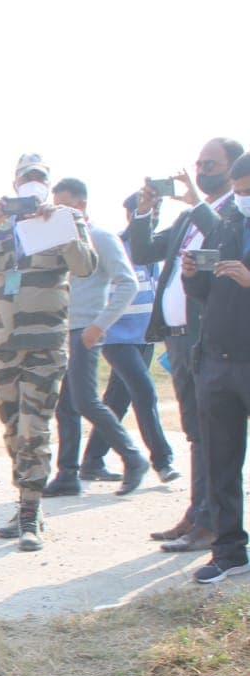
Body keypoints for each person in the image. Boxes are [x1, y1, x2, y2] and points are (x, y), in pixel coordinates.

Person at [0, 153, 96, 550]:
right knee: (14, 429)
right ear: (15, 182)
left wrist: (62, 228)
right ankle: (24, 502)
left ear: (47, 184)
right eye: (26, 176)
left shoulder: (66, 219)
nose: (32, 182)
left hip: (46, 343)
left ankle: (32, 511)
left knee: (36, 428)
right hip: (3, 343)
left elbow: (85, 266)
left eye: (39, 177)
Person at [126, 137, 245, 552]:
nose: (200, 170)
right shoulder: (186, 219)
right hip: (178, 339)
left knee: (218, 436)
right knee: (197, 432)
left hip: (213, 339)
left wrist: (197, 203)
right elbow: (143, 250)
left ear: (233, 170)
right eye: (198, 163)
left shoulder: (232, 212)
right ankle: (199, 514)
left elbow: (228, 248)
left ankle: (213, 522)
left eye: (211, 164)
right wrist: (144, 211)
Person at [44, 177, 153, 497]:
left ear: (81, 205)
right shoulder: (57, 242)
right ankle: (67, 475)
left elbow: (128, 283)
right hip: (62, 331)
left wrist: (100, 325)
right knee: (65, 407)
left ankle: (133, 457)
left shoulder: (101, 238)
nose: (56, 212)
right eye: (54, 206)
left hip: (86, 331)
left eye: (63, 205)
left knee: (86, 401)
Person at [182, 152, 250, 583]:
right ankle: (229, 550)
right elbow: (208, 293)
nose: (241, 200)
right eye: (239, 192)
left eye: (248, 192)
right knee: (221, 462)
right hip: (218, 363)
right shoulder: (229, 225)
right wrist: (193, 275)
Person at [78, 192, 172, 482]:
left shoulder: (153, 249)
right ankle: (162, 461)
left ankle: (92, 462)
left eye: (157, 211)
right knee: (145, 392)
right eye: (147, 210)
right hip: (117, 336)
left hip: (144, 336)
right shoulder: (116, 244)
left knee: (117, 400)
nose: (153, 216)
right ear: (130, 213)